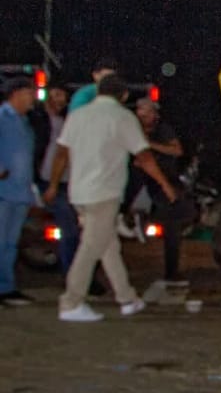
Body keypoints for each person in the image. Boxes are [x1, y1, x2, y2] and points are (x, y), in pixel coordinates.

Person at [45, 73, 178, 322]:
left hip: (79, 191)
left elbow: (62, 153)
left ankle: (127, 298)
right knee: (91, 246)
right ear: (124, 95)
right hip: (104, 192)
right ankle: (71, 302)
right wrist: (165, 184)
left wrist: (53, 184)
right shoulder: (122, 117)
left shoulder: (78, 115)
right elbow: (144, 156)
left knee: (108, 246)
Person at [125, 97, 187, 286]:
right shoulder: (131, 129)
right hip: (136, 181)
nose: (143, 115)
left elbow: (177, 150)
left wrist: (150, 144)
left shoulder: (163, 129)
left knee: (173, 222)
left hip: (163, 180)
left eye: (147, 111)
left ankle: (171, 271)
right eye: (140, 111)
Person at [0, 78, 37, 306]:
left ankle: (7, 287)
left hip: (20, 192)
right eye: (30, 93)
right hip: (3, 193)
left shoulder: (24, 122)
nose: (33, 98)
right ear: (16, 94)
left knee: (10, 244)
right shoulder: (2, 117)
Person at [36, 87, 79, 274]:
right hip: (50, 180)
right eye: (56, 94)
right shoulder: (38, 120)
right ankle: (70, 272)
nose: (60, 100)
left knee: (73, 228)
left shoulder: (64, 121)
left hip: (66, 181)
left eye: (63, 96)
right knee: (69, 230)